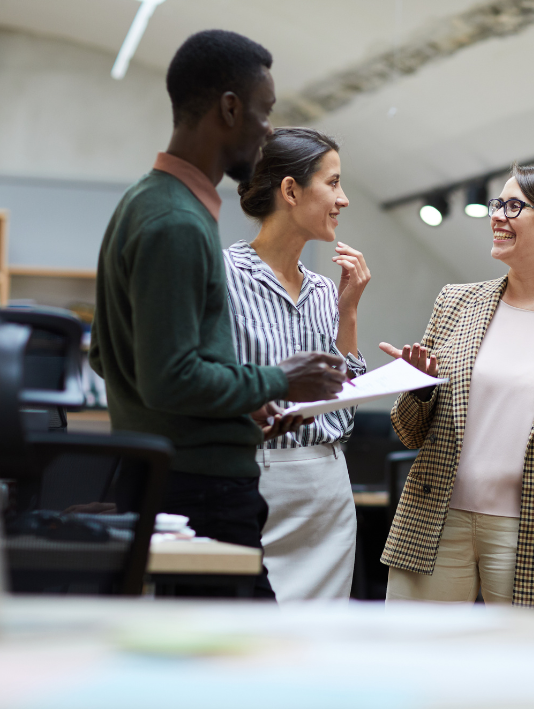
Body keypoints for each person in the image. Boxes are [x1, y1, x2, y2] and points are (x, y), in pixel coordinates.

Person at [89, 30, 346, 598]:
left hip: (173, 479)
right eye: (264, 112)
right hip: (200, 490)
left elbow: (107, 355)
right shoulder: (177, 222)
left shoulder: (145, 201)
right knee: (244, 669)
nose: (268, 131)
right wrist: (281, 379)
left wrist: (242, 402)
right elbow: (170, 375)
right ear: (230, 108)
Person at [378, 164, 534, 611]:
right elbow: (408, 431)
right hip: (436, 517)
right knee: (414, 661)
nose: (498, 215)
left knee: (524, 675)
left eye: (515, 206)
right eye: (498, 204)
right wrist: (418, 390)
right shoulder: (455, 302)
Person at [224, 127, 370, 601]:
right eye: (333, 183)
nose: (343, 199)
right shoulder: (222, 276)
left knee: (319, 650)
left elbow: (343, 416)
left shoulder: (327, 290)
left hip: (327, 490)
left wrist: (348, 312)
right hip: (253, 483)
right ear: (290, 190)